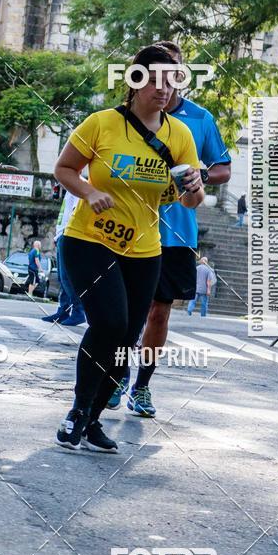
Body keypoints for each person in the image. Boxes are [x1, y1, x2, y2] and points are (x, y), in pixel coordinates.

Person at [53, 44, 204, 453]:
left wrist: (194, 191)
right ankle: (76, 413)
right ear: (134, 82)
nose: (163, 89)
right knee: (109, 323)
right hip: (90, 240)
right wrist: (89, 191)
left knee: (127, 338)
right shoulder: (102, 124)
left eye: (172, 81)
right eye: (154, 79)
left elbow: (187, 199)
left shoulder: (181, 135)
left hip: (144, 250)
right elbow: (64, 168)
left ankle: (95, 420)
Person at [108, 41, 231, 417]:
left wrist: (197, 176)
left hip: (176, 233)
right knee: (122, 312)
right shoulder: (121, 117)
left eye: (175, 71)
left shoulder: (199, 119)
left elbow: (223, 168)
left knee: (160, 313)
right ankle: (113, 376)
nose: (167, 81)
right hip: (125, 228)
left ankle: (141, 386)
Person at [41, 191, 86, 326]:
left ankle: (78, 312)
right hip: (63, 235)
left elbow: (76, 213)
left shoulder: (76, 184)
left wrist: (65, 234)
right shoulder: (69, 189)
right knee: (63, 278)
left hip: (69, 235)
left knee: (67, 278)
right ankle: (64, 310)